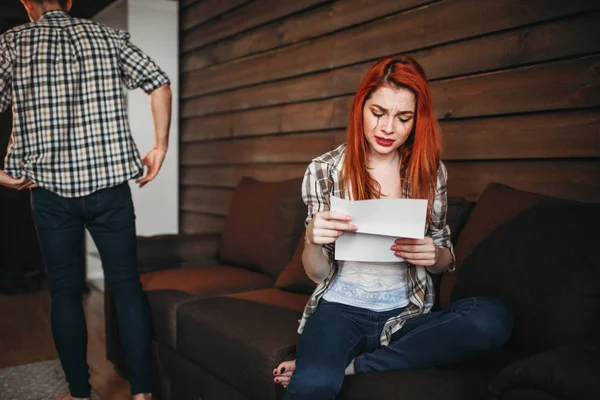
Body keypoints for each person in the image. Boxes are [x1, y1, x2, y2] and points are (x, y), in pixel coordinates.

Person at [272, 56, 514, 399]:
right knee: (314, 386)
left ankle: (355, 365)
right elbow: (316, 274)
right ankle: (335, 362)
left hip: (409, 313)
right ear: (360, 108)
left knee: (492, 318)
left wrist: (434, 254)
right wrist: (312, 239)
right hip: (341, 311)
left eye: (403, 118)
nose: (388, 129)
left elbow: (445, 261)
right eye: (378, 113)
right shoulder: (324, 170)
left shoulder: (430, 173)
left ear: (417, 121)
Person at [0, 1, 172, 399]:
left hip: (49, 192)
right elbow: (158, 82)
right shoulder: (107, 37)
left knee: (63, 292)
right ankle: (143, 393)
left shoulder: (12, 43)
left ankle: (79, 394)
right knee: (126, 286)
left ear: (27, 2)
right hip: (110, 189)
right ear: (70, 1)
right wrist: (159, 147)